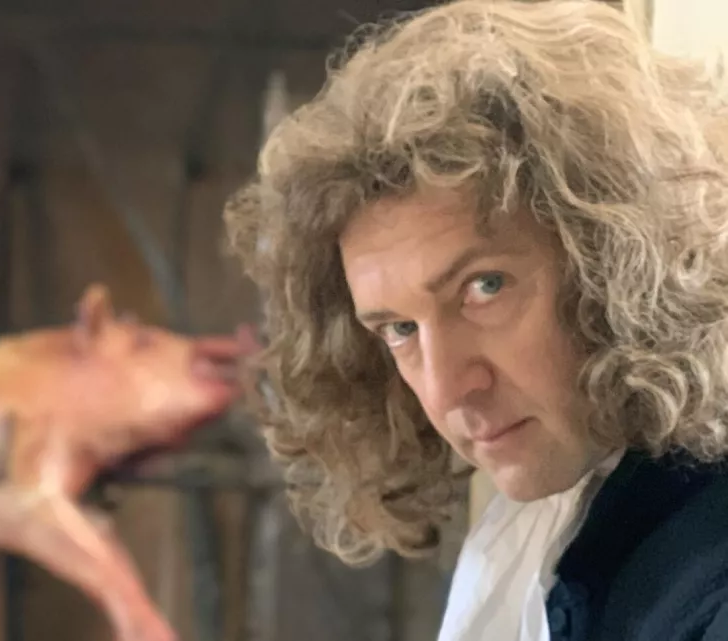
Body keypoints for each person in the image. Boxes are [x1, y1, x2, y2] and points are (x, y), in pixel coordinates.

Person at [223, 1, 728, 640]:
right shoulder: (562, 525)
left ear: (616, 259)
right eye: (398, 329)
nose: (445, 389)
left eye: (483, 288)